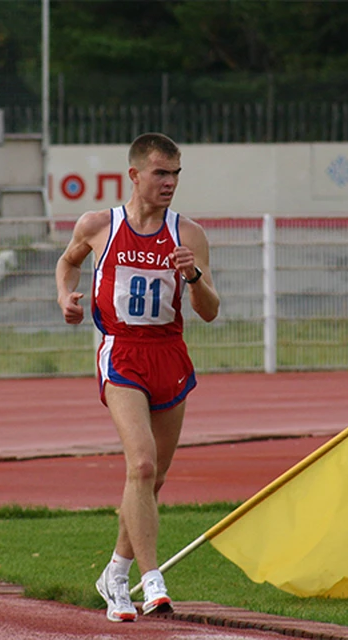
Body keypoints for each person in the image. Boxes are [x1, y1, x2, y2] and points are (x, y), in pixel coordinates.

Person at [55, 133, 220, 621]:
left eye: (175, 174)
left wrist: (192, 278)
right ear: (134, 175)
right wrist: (65, 297)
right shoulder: (98, 225)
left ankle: (115, 571)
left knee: (154, 478)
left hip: (169, 354)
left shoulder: (187, 234)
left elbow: (210, 311)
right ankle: (153, 583)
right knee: (142, 465)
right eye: (159, 173)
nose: (169, 183)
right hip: (122, 353)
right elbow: (67, 262)